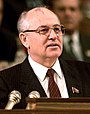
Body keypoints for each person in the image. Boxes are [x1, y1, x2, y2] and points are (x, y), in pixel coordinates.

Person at [0, 6, 90, 109]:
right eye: (43, 30)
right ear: (24, 39)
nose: (53, 36)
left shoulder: (86, 73)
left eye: (57, 29)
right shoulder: (5, 83)